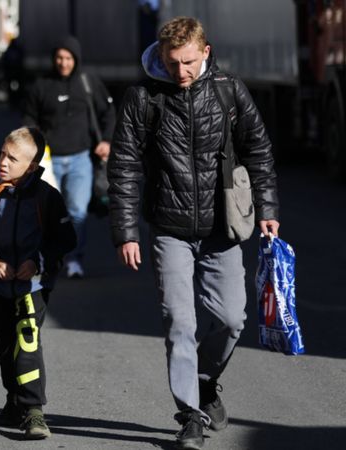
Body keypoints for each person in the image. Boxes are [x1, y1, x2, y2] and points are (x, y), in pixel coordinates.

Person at [107, 17, 279, 450]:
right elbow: (124, 166)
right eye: (171, 63)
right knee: (180, 322)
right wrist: (126, 231)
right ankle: (190, 415)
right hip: (169, 228)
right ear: (161, 56)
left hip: (223, 227)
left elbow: (257, 149)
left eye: (187, 62)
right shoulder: (142, 97)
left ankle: (203, 382)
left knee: (232, 319)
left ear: (205, 51)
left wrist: (267, 207)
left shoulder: (227, 90)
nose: (179, 72)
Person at [0, 127, 75, 440]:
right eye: (3, 154)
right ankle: (13, 398)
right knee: (5, 344)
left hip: (34, 285)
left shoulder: (46, 197)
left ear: (31, 166)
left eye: (12, 159)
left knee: (26, 340)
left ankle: (33, 411)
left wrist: (37, 262)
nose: (3, 162)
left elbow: (66, 238)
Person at [22, 36, 116, 279]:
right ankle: (46, 258)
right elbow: (29, 118)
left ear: (76, 59)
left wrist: (106, 140)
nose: (64, 63)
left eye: (69, 58)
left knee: (77, 212)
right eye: (59, 58)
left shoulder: (88, 82)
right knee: (46, 213)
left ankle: (74, 259)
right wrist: (34, 143)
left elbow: (108, 112)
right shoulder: (42, 86)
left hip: (80, 159)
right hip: (49, 162)